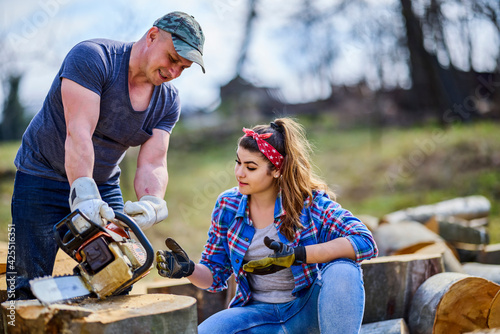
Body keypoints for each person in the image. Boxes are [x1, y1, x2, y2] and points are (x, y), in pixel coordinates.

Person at [9, 11, 205, 300]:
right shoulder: (93, 58)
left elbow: (153, 161)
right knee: (24, 284)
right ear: (152, 36)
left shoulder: (168, 101)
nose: (174, 72)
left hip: (103, 183)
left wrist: (152, 202)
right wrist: (83, 195)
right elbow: (79, 134)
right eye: (172, 58)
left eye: (183, 67)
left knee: (120, 274)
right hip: (42, 173)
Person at [156, 118, 379, 333]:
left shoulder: (309, 203)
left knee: (343, 269)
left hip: (307, 311)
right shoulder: (228, 205)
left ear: (276, 170)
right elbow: (214, 275)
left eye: (250, 167)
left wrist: (297, 254)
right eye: (238, 162)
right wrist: (188, 269)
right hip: (257, 315)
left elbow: (364, 242)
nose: (239, 173)